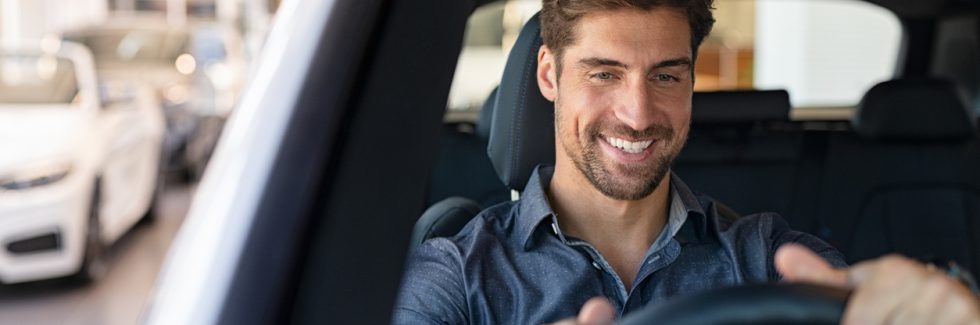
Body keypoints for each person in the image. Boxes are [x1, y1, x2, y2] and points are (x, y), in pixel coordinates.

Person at [394, 0, 980, 324]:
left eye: (667, 75)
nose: (639, 113)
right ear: (549, 74)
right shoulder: (458, 276)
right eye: (604, 73)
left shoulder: (771, 260)